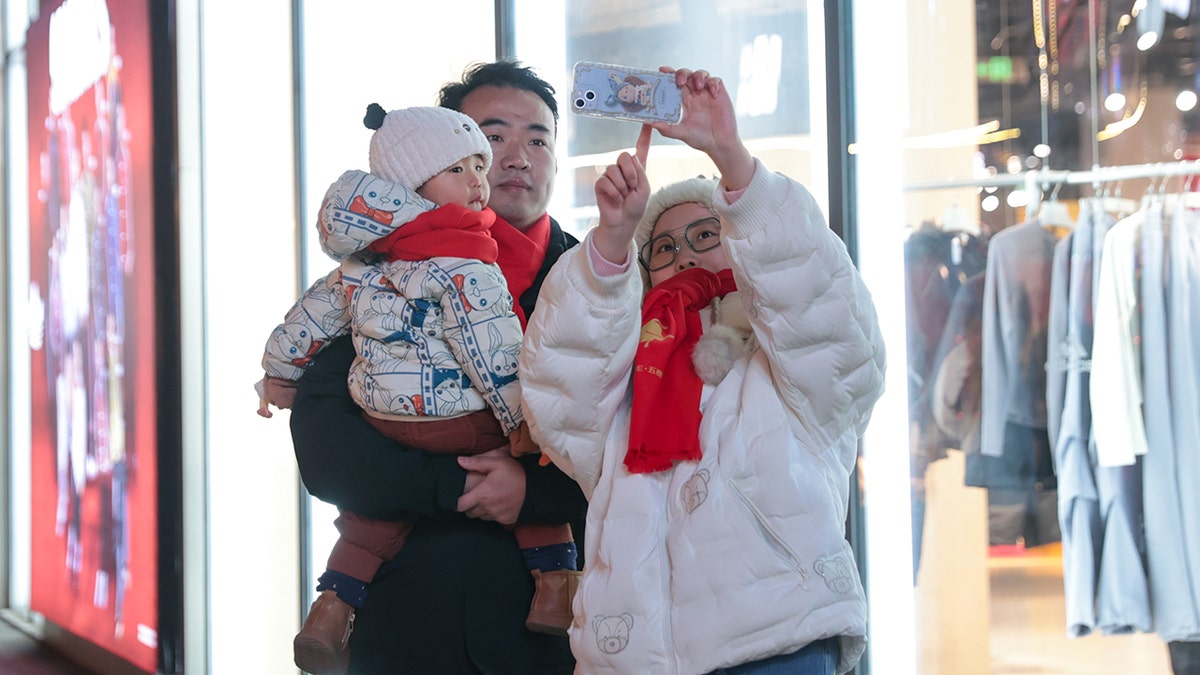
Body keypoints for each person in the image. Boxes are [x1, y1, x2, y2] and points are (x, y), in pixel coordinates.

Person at [519, 67, 887, 674]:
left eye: (705, 234)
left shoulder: (787, 361)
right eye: (662, 247)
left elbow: (822, 313)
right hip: (632, 658)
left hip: (778, 643)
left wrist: (732, 160)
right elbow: (561, 389)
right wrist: (613, 239)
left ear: (741, 241)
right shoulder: (628, 379)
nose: (684, 253)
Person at [258, 104, 580, 673]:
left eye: (538, 139)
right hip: (406, 621)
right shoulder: (455, 261)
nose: (506, 162)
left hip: (550, 650)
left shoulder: (595, 279)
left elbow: (632, 457)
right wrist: (464, 482)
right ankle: (554, 577)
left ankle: (332, 604)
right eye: (489, 139)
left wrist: (528, 492)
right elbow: (328, 459)